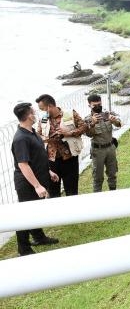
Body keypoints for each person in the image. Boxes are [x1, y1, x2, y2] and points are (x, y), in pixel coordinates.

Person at [11, 102, 60, 256]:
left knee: (35, 211)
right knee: (25, 215)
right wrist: (37, 186)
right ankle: (23, 249)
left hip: (40, 178)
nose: (36, 113)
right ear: (28, 115)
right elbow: (23, 165)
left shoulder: (32, 132)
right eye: (33, 111)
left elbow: (38, 156)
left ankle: (39, 237)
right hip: (27, 183)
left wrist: (48, 171)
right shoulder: (20, 138)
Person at [35, 94, 86, 198]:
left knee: (72, 191)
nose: (43, 112)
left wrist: (68, 133)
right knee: (53, 192)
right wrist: (45, 139)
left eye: (43, 109)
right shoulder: (43, 119)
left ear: (49, 106)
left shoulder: (69, 114)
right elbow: (38, 135)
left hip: (70, 158)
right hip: (52, 161)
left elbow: (84, 127)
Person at [84, 94, 121, 192]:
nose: (97, 107)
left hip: (110, 148)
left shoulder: (108, 114)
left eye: (99, 104)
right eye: (94, 105)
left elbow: (119, 123)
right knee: (98, 177)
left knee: (112, 173)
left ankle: (113, 193)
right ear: (89, 105)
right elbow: (88, 134)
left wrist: (114, 121)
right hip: (98, 150)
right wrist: (92, 123)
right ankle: (97, 198)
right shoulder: (88, 119)